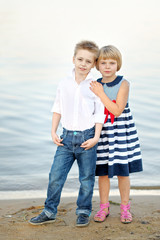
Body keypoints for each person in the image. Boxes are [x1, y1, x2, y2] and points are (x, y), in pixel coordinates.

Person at [29, 40, 105, 227]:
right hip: (66, 137)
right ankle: (49, 211)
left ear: (93, 64)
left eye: (88, 61)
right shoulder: (64, 83)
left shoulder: (95, 85)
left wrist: (95, 138)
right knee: (55, 175)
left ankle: (83, 211)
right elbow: (58, 107)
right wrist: (53, 131)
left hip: (87, 138)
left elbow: (99, 113)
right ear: (73, 59)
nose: (83, 64)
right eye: (80, 59)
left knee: (86, 179)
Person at [90, 45, 143, 224]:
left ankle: (125, 208)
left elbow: (117, 110)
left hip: (121, 133)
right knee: (103, 172)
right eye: (103, 62)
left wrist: (100, 93)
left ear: (118, 65)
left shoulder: (123, 83)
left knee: (122, 171)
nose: (107, 66)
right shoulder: (95, 84)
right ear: (97, 65)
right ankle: (103, 206)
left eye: (112, 63)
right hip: (103, 132)